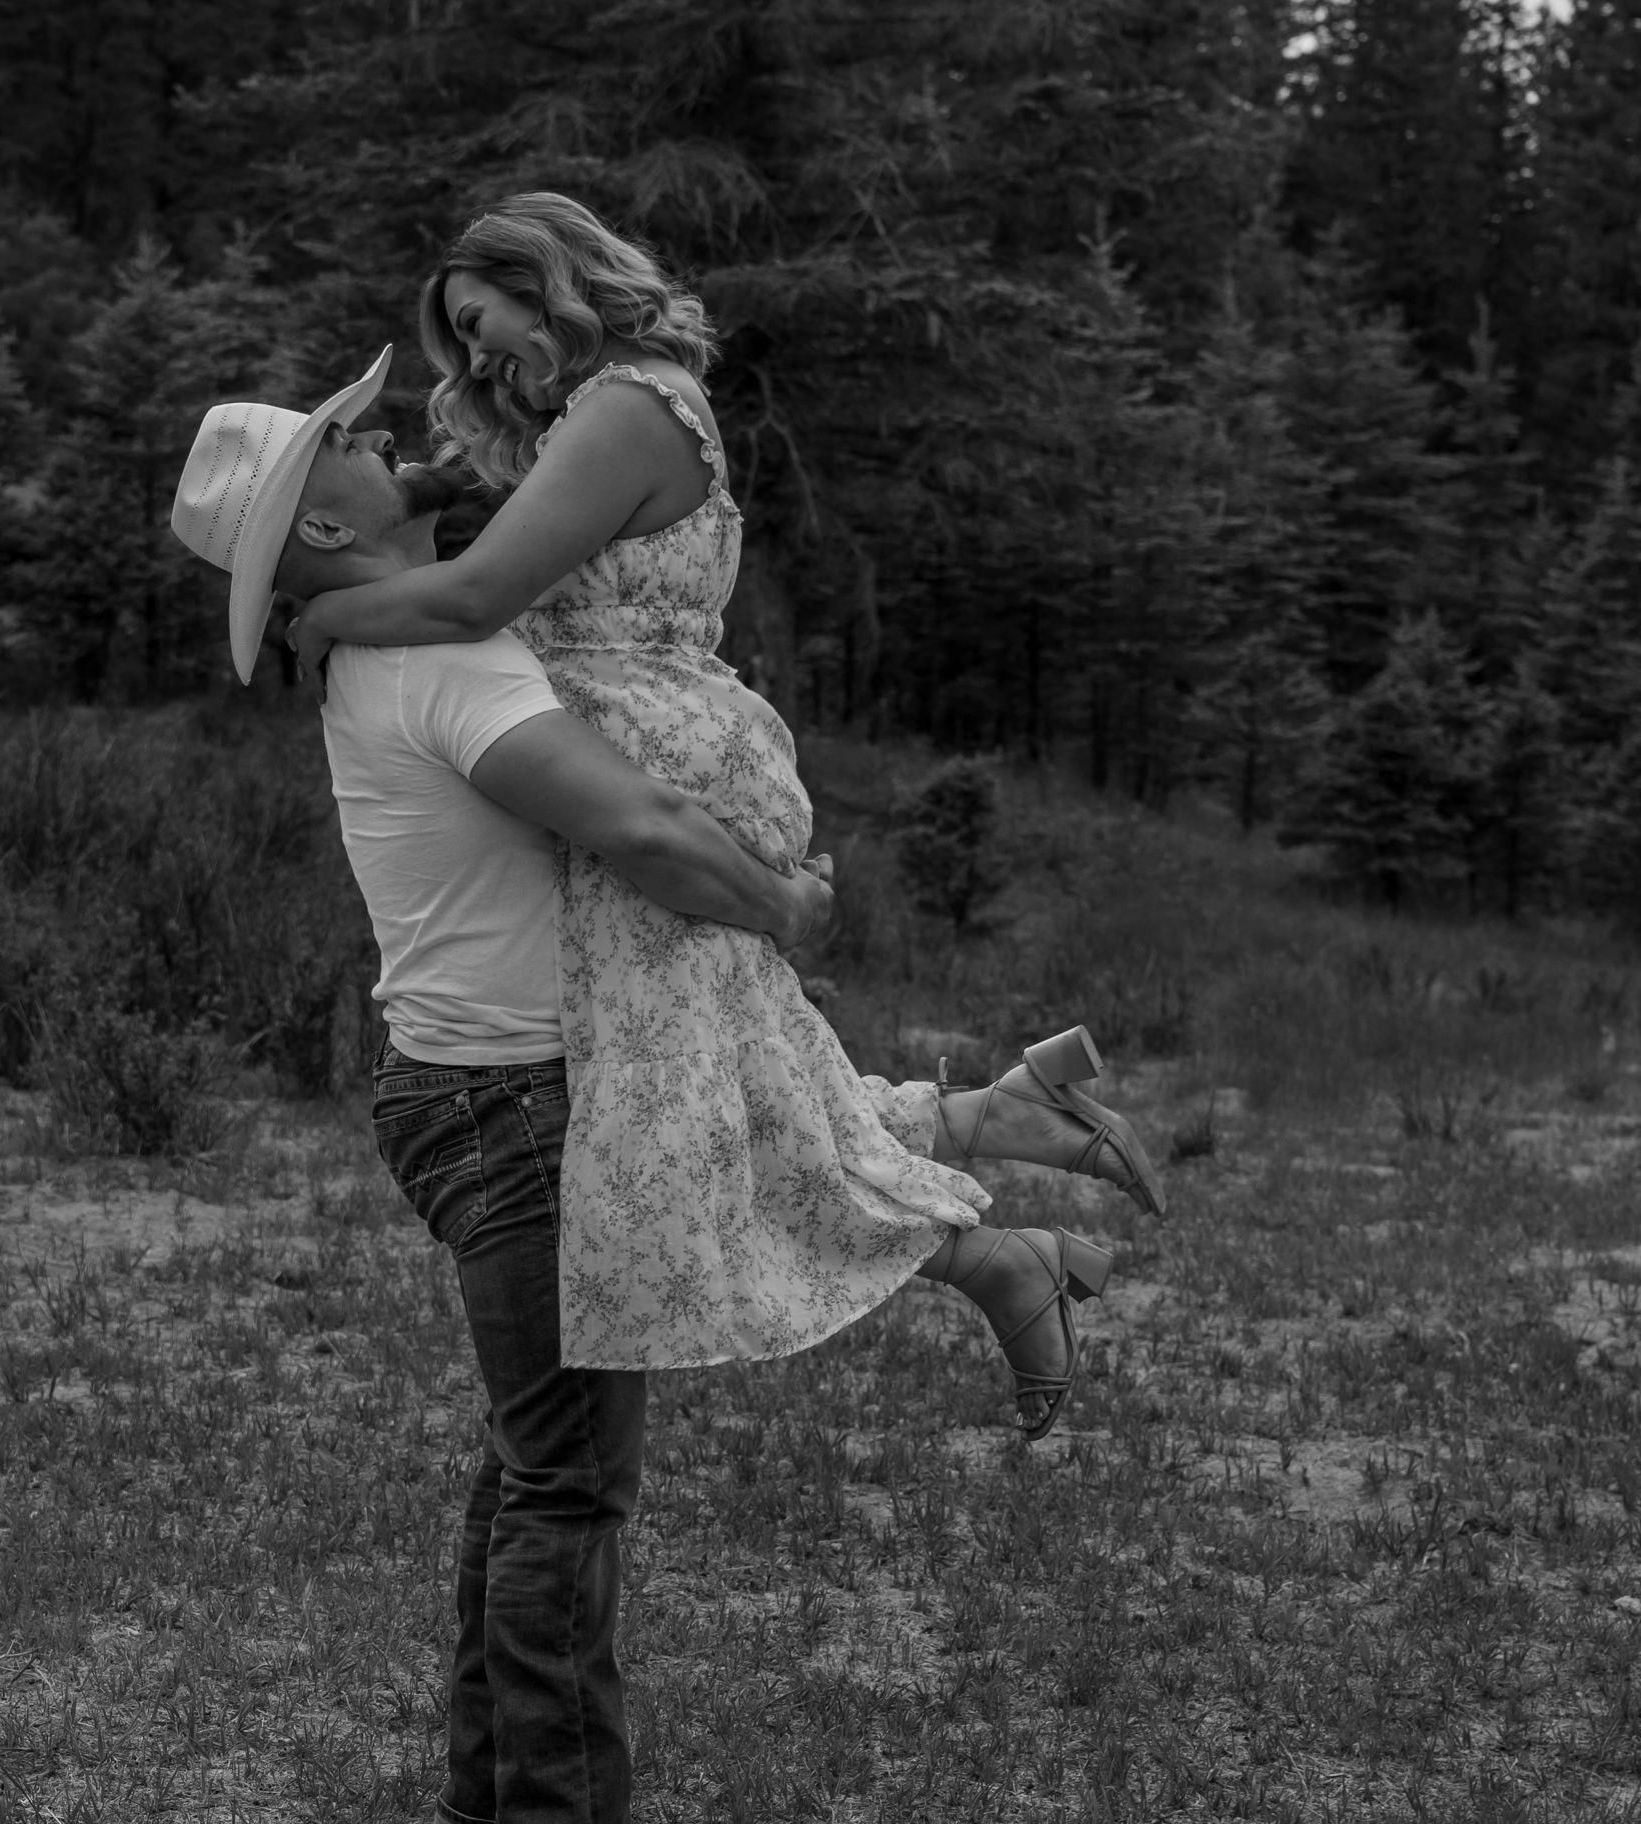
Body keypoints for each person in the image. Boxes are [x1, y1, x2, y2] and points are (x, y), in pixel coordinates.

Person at [170, 351, 1131, 1824]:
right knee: (564, 1489)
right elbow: (641, 831)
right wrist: (784, 905)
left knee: (534, 1473)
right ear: (320, 522)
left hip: (479, 1093)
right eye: (349, 440)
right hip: (512, 1107)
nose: (382, 435)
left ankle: (492, 1799)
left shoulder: (406, 644)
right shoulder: (443, 663)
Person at [287, 194, 1163, 1379]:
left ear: (548, 287)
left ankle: (989, 1209)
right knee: (704, 1067)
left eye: (478, 324)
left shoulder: (626, 407)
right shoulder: (591, 414)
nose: (474, 362)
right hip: (647, 738)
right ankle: (1000, 1159)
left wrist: (322, 615)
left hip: (656, 749)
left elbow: (475, 596)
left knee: (666, 1099)